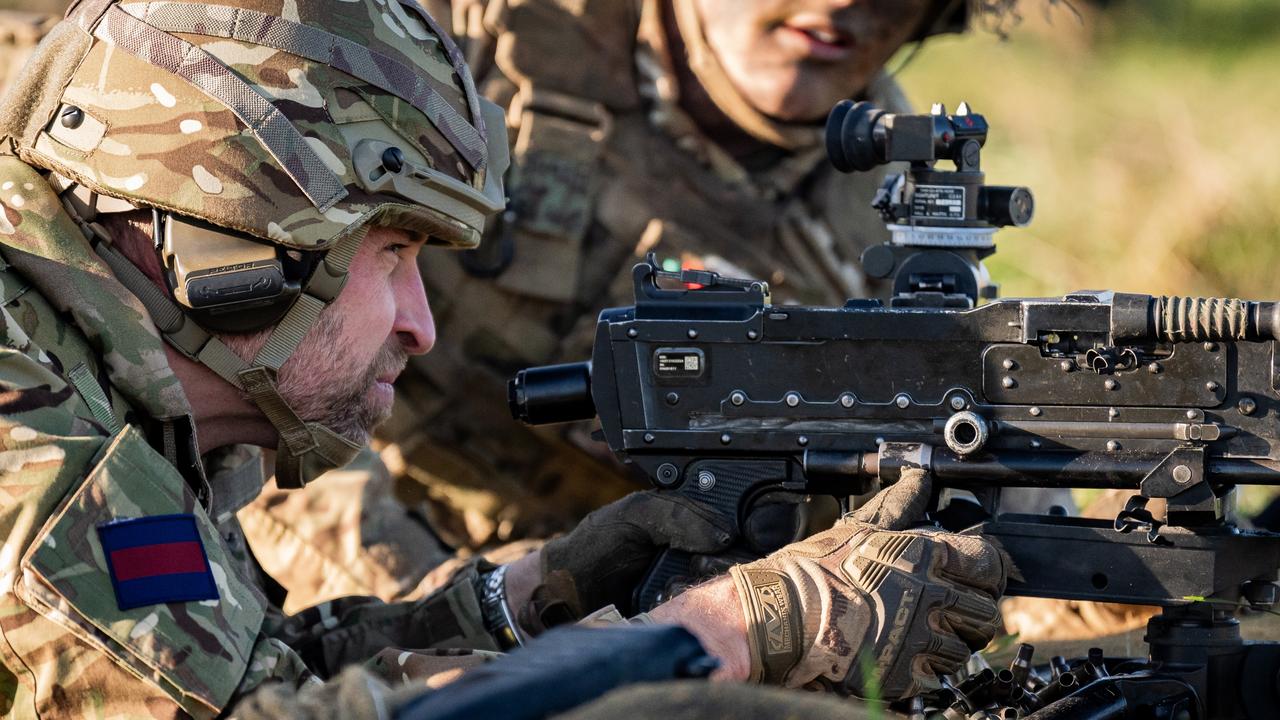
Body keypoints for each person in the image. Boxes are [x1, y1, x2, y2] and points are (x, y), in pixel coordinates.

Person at [0, 1, 1006, 716]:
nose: (419, 324)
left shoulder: (99, 380)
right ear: (230, 245)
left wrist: (532, 596)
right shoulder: (31, 439)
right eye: (390, 253)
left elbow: (261, 679)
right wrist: (729, 631)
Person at [244, 0, 994, 611]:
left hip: (681, 618)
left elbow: (972, 500)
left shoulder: (918, 207)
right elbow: (241, 375)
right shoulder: (451, 48)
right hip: (340, 572)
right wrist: (453, 611)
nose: (842, 5)